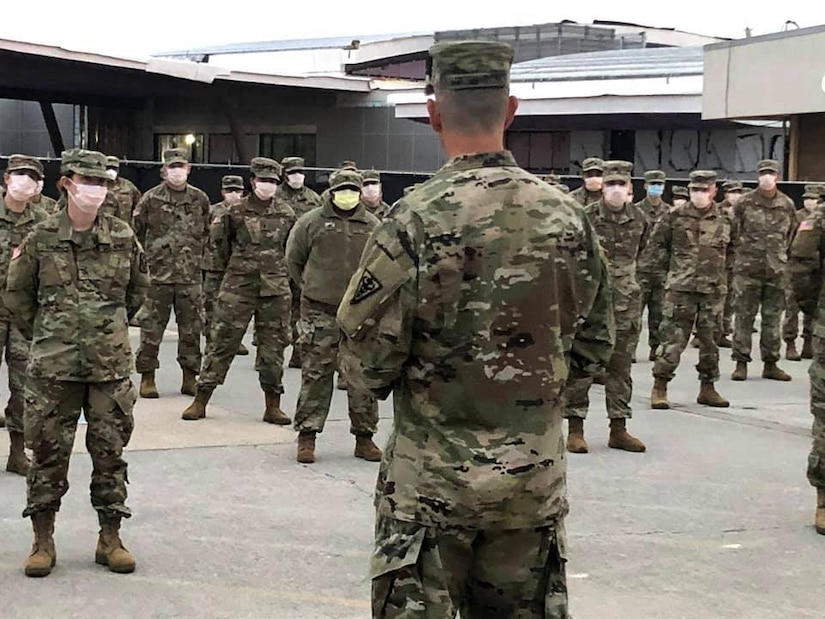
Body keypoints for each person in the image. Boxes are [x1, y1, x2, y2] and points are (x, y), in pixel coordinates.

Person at [338, 40, 613, 617]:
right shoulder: (567, 217)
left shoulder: (412, 219)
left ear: (434, 115)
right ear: (510, 111)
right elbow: (598, 342)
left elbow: (365, 359)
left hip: (430, 487)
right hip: (530, 484)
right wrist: (539, 401)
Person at [4, 148, 149, 577]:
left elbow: (138, 291)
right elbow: (17, 295)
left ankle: (110, 538)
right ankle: (43, 541)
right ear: (66, 184)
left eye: (102, 183)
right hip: (53, 369)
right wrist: (50, 335)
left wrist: (107, 329)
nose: (97, 190)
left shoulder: (122, 236)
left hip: (108, 368)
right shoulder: (42, 237)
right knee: (48, 455)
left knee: (110, 454)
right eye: (88, 182)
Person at [182, 158, 295, 424]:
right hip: (238, 287)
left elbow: (293, 251)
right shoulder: (234, 212)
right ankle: (201, 399)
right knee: (221, 342)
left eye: (273, 182)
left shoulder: (287, 213)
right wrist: (222, 284)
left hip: (275, 289)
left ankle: (272, 405)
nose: (268, 186)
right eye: (263, 181)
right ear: (253, 182)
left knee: (273, 348)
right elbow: (220, 250)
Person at [286, 169, 382, 464]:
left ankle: (364, 437)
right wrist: (311, 290)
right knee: (316, 374)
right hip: (320, 311)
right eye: (342, 189)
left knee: (361, 377)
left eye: (353, 189)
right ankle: (307, 436)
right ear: (331, 190)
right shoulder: (311, 222)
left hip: (359, 314)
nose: (348, 194)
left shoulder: (372, 225)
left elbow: (381, 265)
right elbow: (294, 260)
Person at [564, 160, 647, 454]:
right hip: (592, 303)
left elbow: (644, 255)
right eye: (610, 183)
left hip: (626, 303)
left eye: (620, 184)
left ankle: (619, 428)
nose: (614, 189)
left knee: (620, 368)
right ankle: (575, 429)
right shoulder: (584, 217)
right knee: (583, 367)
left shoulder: (640, 219)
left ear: (630, 189)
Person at [649, 170, 733, 409]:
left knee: (710, 341)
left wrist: (721, 275)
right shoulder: (673, 216)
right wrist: (672, 275)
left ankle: (708, 387)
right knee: (673, 339)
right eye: (695, 189)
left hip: (713, 289)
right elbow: (657, 249)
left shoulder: (725, 218)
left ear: (714, 191)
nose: (699, 194)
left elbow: (733, 249)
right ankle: (660, 386)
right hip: (680, 288)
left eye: (704, 189)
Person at [133, 148, 210, 398]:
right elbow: (136, 233)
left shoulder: (200, 199)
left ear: (188, 169)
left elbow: (208, 232)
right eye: (172, 167)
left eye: (181, 166)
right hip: (157, 276)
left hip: (190, 276)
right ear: (164, 170)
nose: (177, 171)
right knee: (152, 329)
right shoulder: (150, 199)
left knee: (191, 328)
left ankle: (190, 376)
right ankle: (147, 376)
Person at [0, 155, 51, 474]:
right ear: (6, 178)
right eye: (19, 175)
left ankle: (17, 452)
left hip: (23, 318)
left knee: (25, 387)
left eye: (31, 177)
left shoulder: (44, 222)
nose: (25, 182)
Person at [730, 159, 796, 382]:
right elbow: (733, 232)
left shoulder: (786, 204)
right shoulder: (745, 203)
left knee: (772, 318)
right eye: (763, 173)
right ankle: (741, 362)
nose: (766, 177)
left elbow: (791, 236)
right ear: (757, 176)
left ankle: (771, 363)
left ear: (777, 176)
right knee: (744, 317)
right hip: (748, 270)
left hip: (776, 271)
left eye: (771, 173)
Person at [278, 156, 324, 369]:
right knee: (277, 311)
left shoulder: (314, 199)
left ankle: (299, 352)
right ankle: (270, 354)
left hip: (304, 262)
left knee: (301, 308)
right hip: (277, 262)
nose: (297, 176)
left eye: (300, 172)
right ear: (284, 175)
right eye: (292, 172)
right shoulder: (275, 197)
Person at [202, 175, 249, 356]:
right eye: (229, 191)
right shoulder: (213, 211)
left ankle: (234, 341)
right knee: (211, 304)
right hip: (214, 265)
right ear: (222, 192)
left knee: (236, 307)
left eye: (237, 191)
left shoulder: (246, 211)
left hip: (238, 266)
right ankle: (210, 341)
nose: (234, 194)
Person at [783, 184, 824, 361]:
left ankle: (808, 342)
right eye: (807, 198)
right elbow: (795, 244)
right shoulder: (801, 217)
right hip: (800, 268)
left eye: (813, 198)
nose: (810, 202)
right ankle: (790, 342)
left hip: (816, 269)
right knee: (793, 306)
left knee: (813, 310)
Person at [635, 170, 671, 362]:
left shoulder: (670, 212)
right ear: (645, 185)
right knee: (634, 314)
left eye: (660, 184)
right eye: (653, 184)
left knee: (659, 314)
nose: (656, 187)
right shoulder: (635, 211)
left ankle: (656, 348)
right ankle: (630, 349)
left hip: (662, 270)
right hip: (641, 269)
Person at [716, 180, 745, 348]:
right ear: (725, 194)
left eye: (738, 192)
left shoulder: (744, 210)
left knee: (731, 299)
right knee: (718, 297)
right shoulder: (718, 211)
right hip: (721, 261)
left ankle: (724, 331)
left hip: (740, 260)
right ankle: (707, 332)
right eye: (732, 192)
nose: (735, 195)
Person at [103, 156, 142, 226]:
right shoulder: (97, 185)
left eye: (114, 168)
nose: (111, 171)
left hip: (123, 230)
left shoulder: (128, 186)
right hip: (102, 229)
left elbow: (139, 206)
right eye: (108, 168)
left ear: (118, 170)